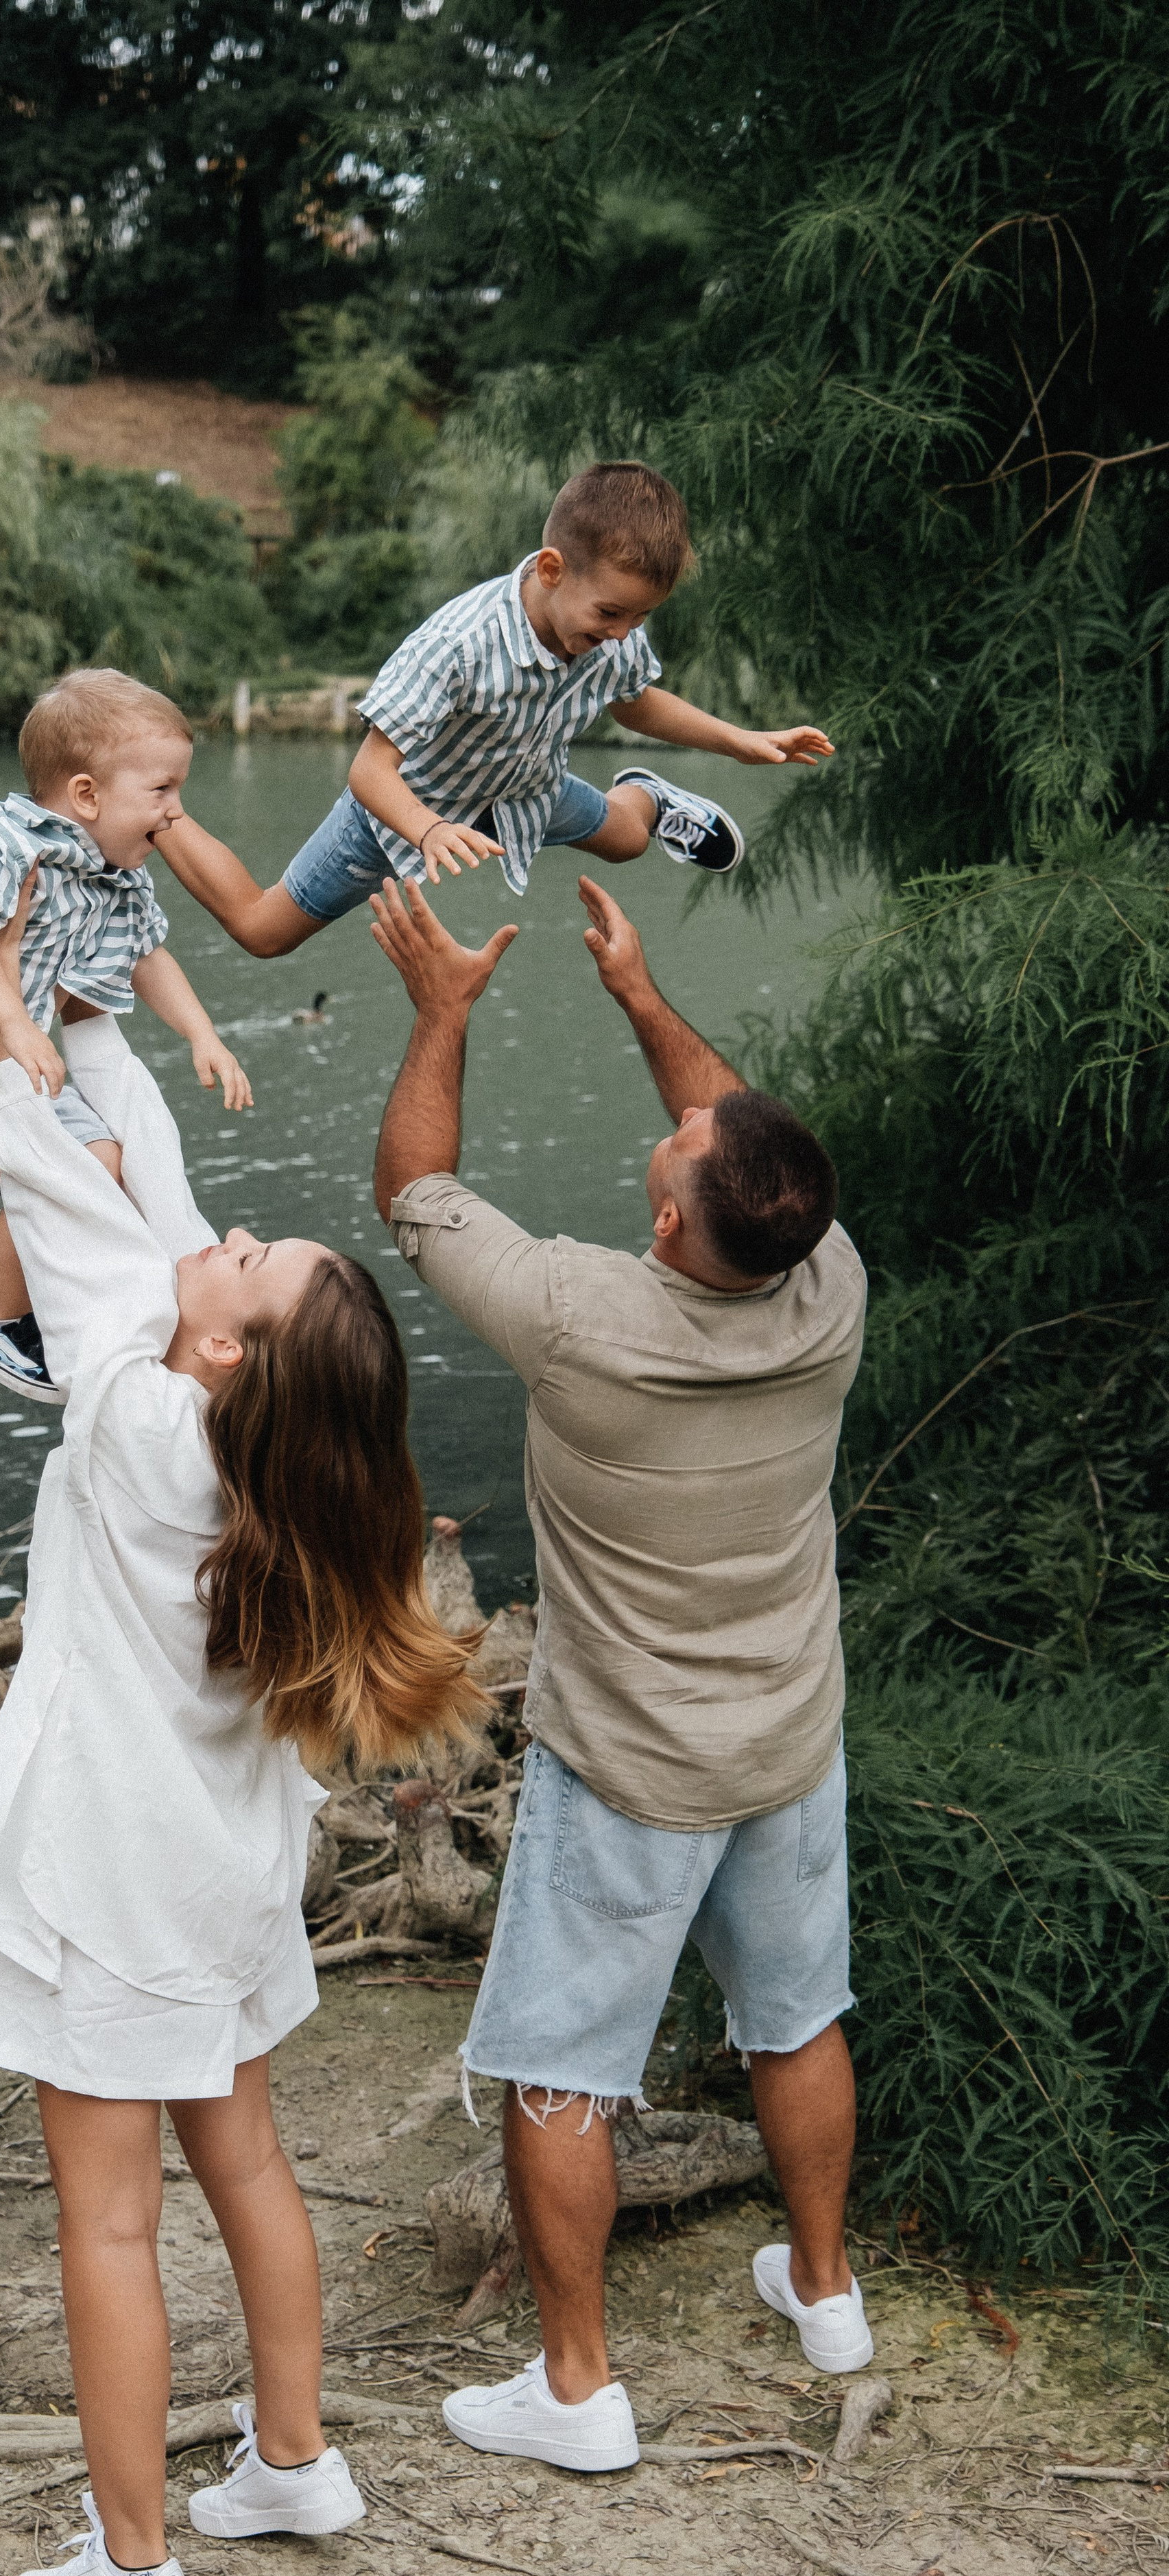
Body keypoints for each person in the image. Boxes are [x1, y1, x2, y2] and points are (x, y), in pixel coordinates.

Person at [0, 1005, 483, 2576]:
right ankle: (292, 2459)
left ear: (224, 1351)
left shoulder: (138, 1423)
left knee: (109, 2219)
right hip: (228, 1883)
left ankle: (131, 2568)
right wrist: (99, 1043)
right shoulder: (277, 1468)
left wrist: (8, 1050)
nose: (222, 1231)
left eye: (246, 1259)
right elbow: (157, 1218)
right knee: (243, 2164)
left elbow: (86, 1218)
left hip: (115, 1887)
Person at [367, 870, 869, 2478]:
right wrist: (644, 997)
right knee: (794, 2019)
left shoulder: (580, 1317)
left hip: (630, 1770)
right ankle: (824, 2288)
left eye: (683, 1152)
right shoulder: (827, 1286)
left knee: (559, 2062)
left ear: (668, 1216)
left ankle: (575, 2389)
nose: (687, 1124)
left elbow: (417, 1189)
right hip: (785, 1740)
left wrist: (443, 1011)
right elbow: (746, 1153)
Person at [153, 460, 834, 957]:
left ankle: (649, 801)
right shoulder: (456, 646)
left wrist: (738, 740)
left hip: (525, 788)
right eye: (611, 614)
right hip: (401, 809)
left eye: (641, 617)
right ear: (550, 570)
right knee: (262, 932)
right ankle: (158, 812)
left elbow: (632, 702)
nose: (624, 634)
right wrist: (425, 830)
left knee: (627, 842)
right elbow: (370, 772)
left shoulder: (608, 625)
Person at [0, 668, 252, 1407]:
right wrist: (16, 1021)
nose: (176, 813)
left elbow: (149, 957)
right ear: (86, 795)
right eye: (162, 792)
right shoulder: (9, 837)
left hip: (19, 1069)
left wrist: (202, 1034)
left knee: (103, 1163)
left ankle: (54, 1315)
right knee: (63, 1166)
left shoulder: (115, 873)